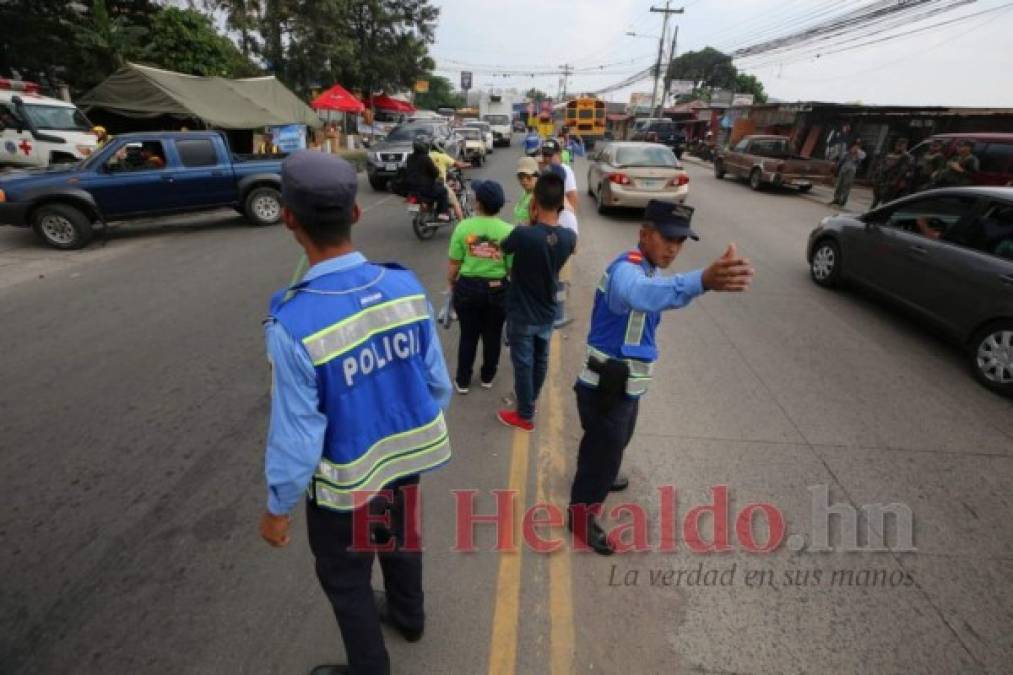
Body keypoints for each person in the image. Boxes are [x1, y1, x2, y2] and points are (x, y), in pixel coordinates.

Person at [259, 152, 453, 675]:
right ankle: (410, 616)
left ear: (289, 217)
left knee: (347, 581)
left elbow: (298, 435)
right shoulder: (405, 287)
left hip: (346, 484)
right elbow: (436, 383)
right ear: (356, 214)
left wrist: (278, 507)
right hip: (403, 461)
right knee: (399, 540)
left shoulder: (292, 323)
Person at [567, 200, 754, 555]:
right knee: (603, 452)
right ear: (644, 234)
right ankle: (580, 516)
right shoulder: (628, 272)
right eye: (667, 238)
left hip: (626, 387)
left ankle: (601, 472)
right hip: (605, 387)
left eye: (681, 241)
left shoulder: (650, 269)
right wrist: (702, 280)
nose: (674, 248)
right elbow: (641, 295)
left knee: (611, 445)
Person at [497, 173, 577, 431]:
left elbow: (504, 247)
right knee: (541, 359)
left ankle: (525, 415)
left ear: (535, 202)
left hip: (522, 311)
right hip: (547, 310)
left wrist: (530, 223)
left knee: (523, 363)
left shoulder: (523, 235)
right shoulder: (568, 238)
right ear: (561, 204)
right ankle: (531, 401)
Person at [447, 180, 513, 394]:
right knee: (492, 335)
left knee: (468, 335)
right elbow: (511, 269)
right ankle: (487, 376)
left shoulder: (464, 227)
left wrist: (451, 283)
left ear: (478, 203)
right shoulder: (508, 231)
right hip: (498, 289)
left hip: (467, 288)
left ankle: (463, 380)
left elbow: (454, 264)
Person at [404, 135, 451, 221]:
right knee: (443, 191)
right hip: (424, 189)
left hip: (411, 188)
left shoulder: (409, 157)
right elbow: (436, 173)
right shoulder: (425, 158)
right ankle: (443, 213)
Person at [430, 137, 470, 221]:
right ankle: (462, 225)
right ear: (440, 146)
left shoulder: (428, 155)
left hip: (428, 183)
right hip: (439, 183)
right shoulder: (442, 156)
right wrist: (468, 164)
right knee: (456, 203)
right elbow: (457, 164)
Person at [870, 138, 913, 208]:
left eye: (901, 145)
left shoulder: (906, 157)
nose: (898, 147)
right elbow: (881, 166)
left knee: (887, 202)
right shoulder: (889, 155)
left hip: (893, 182)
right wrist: (876, 175)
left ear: (905, 146)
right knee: (876, 199)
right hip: (882, 180)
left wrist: (900, 181)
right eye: (898, 145)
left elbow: (906, 170)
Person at [539, 139, 579, 212]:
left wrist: (568, 217)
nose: (547, 158)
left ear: (559, 154)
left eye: (550, 155)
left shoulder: (565, 170)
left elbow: (573, 197)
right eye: (545, 155)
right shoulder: (545, 169)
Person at [829, 141, 865, 207]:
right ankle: (836, 199)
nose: (854, 149)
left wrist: (857, 155)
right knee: (839, 185)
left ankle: (842, 201)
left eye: (856, 147)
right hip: (843, 170)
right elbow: (840, 161)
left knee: (846, 186)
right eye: (854, 147)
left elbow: (860, 162)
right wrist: (836, 169)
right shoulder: (846, 154)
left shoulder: (860, 155)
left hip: (851, 172)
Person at [513, 156, 540, 225]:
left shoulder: (538, 197)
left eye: (528, 177)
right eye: (520, 177)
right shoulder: (526, 192)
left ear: (536, 175)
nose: (524, 180)